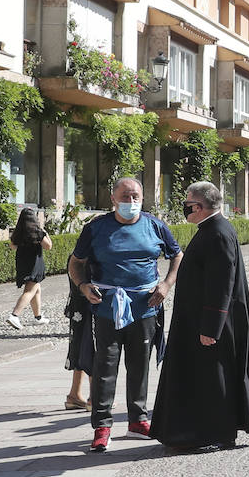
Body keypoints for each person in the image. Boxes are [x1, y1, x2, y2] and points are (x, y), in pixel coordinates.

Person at [150, 181, 249, 452]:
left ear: (200, 206)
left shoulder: (217, 233)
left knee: (214, 378)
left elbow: (221, 283)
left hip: (213, 323)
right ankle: (198, 431)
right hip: (199, 320)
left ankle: (217, 433)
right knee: (204, 377)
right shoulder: (211, 229)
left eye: (188, 204)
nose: (186, 208)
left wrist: (211, 327)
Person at [69, 178, 182, 452]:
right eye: (125, 196)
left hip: (145, 306)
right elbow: (75, 263)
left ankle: (137, 421)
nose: (131, 202)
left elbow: (177, 255)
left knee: (140, 364)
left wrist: (166, 284)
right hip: (107, 308)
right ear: (113, 198)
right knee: (105, 367)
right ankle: (102, 426)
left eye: (136, 197)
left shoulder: (155, 225)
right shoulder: (96, 228)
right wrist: (84, 286)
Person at [8, 208, 53, 331]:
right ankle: (14, 315)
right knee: (30, 291)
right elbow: (48, 246)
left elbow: (12, 246)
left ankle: (38, 317)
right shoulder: (38, 232)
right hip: (34, 263)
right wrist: (45, 232)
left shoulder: (18, 233)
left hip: (22, 263)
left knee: (36, 289)